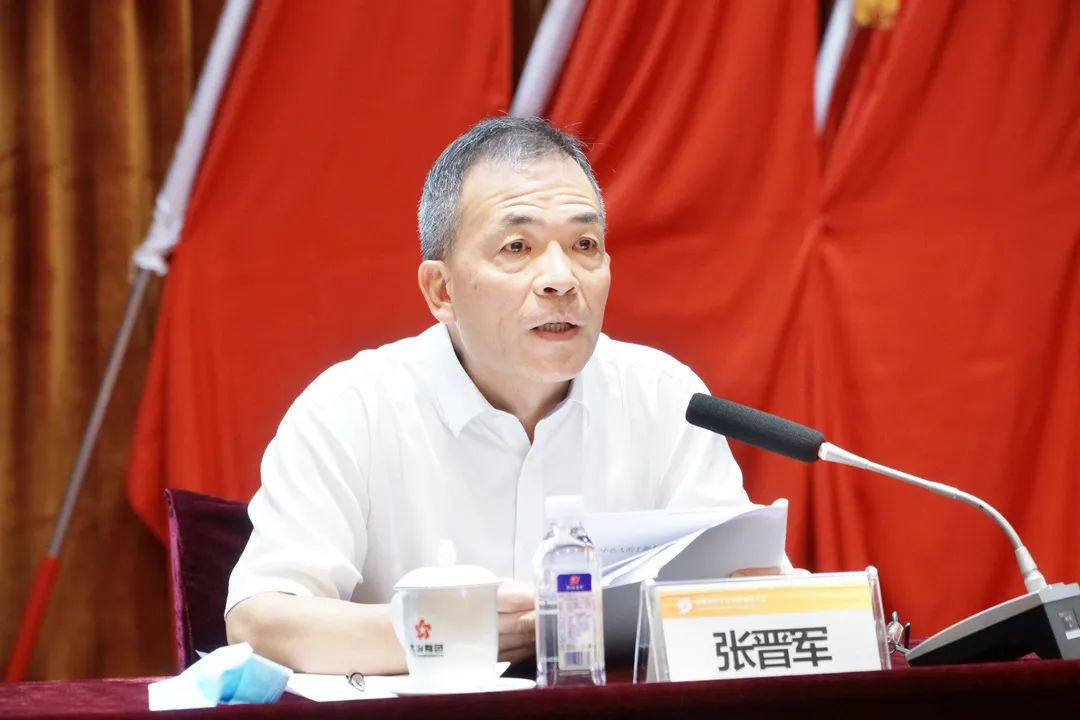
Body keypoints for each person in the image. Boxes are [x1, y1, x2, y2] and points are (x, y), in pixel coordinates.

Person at [225, 117, 781, 675]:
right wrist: (448, 629)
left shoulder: (665, 398)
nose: (561, 278)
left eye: (584, 245)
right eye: (518, 247)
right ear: (441, 290)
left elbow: (744, 591)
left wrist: (777, 599)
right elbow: (260, 622)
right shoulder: (352, 408)